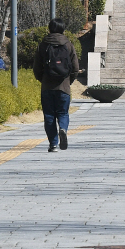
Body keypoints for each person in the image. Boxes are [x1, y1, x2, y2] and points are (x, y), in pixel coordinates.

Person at [33, 18, 79, 153]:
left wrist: (43, 80)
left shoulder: (43, 45)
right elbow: (75, 68)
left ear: (49, 29)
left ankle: (53, 144)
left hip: (47, 86)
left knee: (49, 115)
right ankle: (63, 129)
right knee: (63, 113)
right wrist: (68, 81)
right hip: (63, 86)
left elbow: (36, 68)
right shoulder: (68, 45)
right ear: (63, 29)